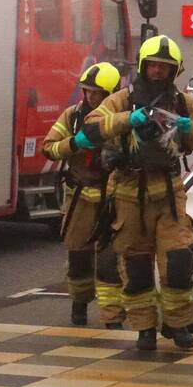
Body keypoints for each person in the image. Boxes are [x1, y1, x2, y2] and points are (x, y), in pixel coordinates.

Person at [82, 36, 193, 351]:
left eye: (165, 67)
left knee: (179, 261)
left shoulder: (183, 103)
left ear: (174, 71)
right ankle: (144, 328)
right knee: (138, 266)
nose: (158, 71)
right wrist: (129, 119)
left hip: (168, 192)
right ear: (143, 66)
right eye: (153, 65)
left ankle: (178, 323)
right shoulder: (121, 100)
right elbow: (89, 131)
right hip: (129, 192)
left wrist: (189, 130)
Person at [43, 61, 125, 329]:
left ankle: (113, 319)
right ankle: (79, 306)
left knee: (109, 263)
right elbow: (49, 148)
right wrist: (74, 143)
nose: (90, 97)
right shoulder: (72, 116)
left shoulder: (123, 117)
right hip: (80, 199)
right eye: (87, 91)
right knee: (78, 258)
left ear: (111, 94)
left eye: (97, 93)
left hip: (113, 199)